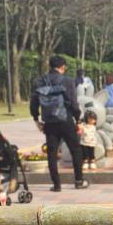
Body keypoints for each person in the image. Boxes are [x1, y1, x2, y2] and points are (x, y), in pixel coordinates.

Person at [31, 55, 88, 191]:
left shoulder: (39, 81)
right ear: (62, 67)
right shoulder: (68, 81)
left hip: (49, 121)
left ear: (50, 66)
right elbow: (73, 103)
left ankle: (56, 185)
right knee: (75, 149)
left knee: (52, 152)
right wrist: (78, 119)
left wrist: (36, 119)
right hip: (65, 119)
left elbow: (34, 102)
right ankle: (79, 181)